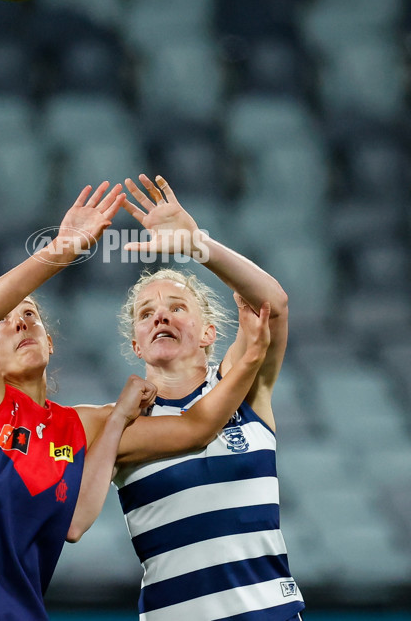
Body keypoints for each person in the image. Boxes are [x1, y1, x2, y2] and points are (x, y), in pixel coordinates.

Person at [0, 180, 272, 621]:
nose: (21, 324)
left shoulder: (76, 427)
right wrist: (62, 250)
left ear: (49, 340)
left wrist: (247, 359)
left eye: (30, 314)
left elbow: (81, 519)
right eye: (6, 321)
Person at [112, 174, 305, 621]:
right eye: (146, 313)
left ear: (208, 333)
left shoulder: (242, 388)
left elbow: (273, 304)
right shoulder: (123, 423)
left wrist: (196, 245)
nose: (160, 314)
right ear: (137, 344)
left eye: (177, 307)